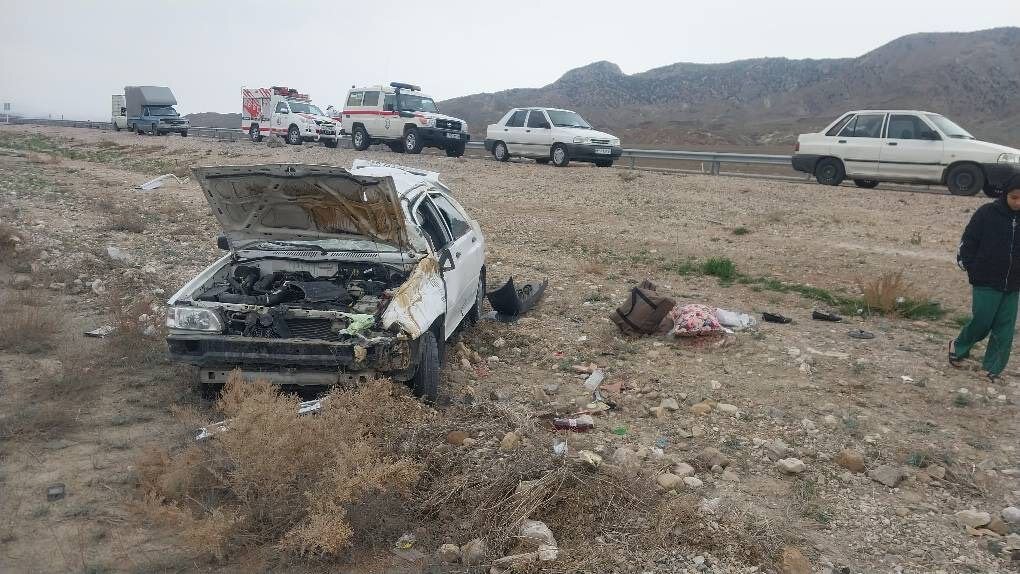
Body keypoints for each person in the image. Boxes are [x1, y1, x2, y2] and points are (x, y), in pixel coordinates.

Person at [951, 176, 1020, 382]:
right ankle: (959, 346)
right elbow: (969, 241)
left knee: (1005, 328)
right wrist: (971, 267)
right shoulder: (987, 213)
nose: (1018, 202)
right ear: (1005, 194)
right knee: (982, 321)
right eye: (1014, 197)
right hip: (985, 280)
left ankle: (993, 369)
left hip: (1014, 283)